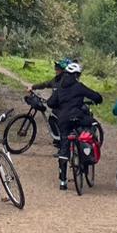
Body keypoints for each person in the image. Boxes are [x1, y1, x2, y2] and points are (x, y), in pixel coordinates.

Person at [48, 61, 103, 192]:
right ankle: (86, 155)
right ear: (76, 75)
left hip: (63, 120)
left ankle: (62, 181)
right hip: (77, 117)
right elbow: (96, 96)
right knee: (90, 125)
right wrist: (98, 99)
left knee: (64, 146)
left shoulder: (60, 86)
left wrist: (60, 105)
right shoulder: (78, 86)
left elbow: (50, 102)